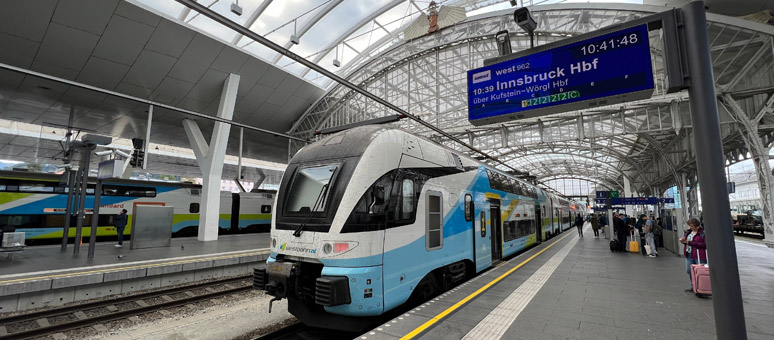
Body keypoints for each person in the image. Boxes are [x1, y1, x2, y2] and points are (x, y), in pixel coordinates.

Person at [680, 218, 707, 292]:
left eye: (692, 226)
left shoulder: (702, 233)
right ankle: (693, 286)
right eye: (690, 226)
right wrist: (683, 241)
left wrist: (690, 243)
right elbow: (687, 242)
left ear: (696, 225)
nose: (690, 227)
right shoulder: (688, 232)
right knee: (689, 270)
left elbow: (705, 245)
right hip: (689, 254)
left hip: (699, 255)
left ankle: (701, 287)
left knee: (700, 271)